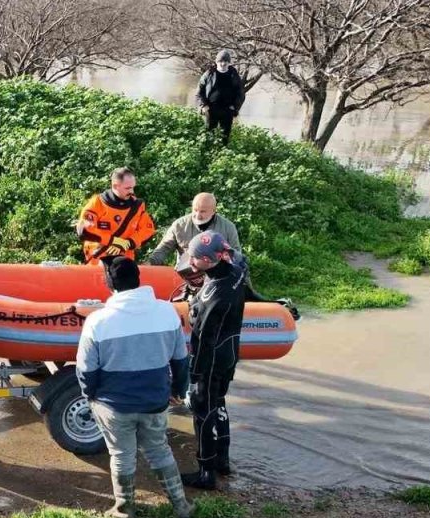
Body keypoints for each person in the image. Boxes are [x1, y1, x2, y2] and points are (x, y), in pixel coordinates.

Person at [75, 257, 193, 518]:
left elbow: (86, 370)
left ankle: (124, 510)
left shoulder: (97, 321)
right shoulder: (167, 313)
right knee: (160, 450)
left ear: (109, 284)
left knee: (121, 455)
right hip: (154, 401)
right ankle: (182, 506)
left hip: (114, 405)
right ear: (140, 278)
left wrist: (90, 395)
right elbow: (180, 360)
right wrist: (177, 389)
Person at [149, 193, 299, 317]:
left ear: (214, 210)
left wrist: (240, 285)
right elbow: (162, 250)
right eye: (195, 210)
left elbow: (237, 258)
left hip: (219, 279)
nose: (197, 215)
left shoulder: (228, 227)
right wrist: (149, 265)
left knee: (247, 295)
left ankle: (281, 308)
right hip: (190, 279)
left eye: (203, 211)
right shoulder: (179, 225)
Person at [177, 231, 246, 490]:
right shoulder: (236, 270)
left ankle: (206, 472)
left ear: (209, 260)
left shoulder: (212, 297)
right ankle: (223, 460)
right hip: (230, 352)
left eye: (195, 260)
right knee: (219, 404)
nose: (191, 263)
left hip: (213, 358)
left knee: (202, 410)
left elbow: (202, 339)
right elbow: (247, 289)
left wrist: (193, 375)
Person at [76, 168, 155, 265]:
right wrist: (112, 241)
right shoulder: (97, 203)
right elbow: (84, 230)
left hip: (125, 262)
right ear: (115, 186)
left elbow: (148, 231)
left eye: (133, 187)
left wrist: (128, 243)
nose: (132, 191)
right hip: (98, 260)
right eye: (127, 188)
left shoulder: (137, 206)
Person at [196, 49, 246, 145]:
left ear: (229, 63)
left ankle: (222, 154)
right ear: (216, 62)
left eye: (225, 62)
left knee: (225, 137)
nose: (223, 64)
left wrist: (235, 107)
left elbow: (241, 94)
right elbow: (199, 92)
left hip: (227, 110)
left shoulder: (234, 75)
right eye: (220, 61)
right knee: (209, 135)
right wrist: (203, 105)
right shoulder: (209, 74)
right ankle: (208, 155)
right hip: (210, 109)